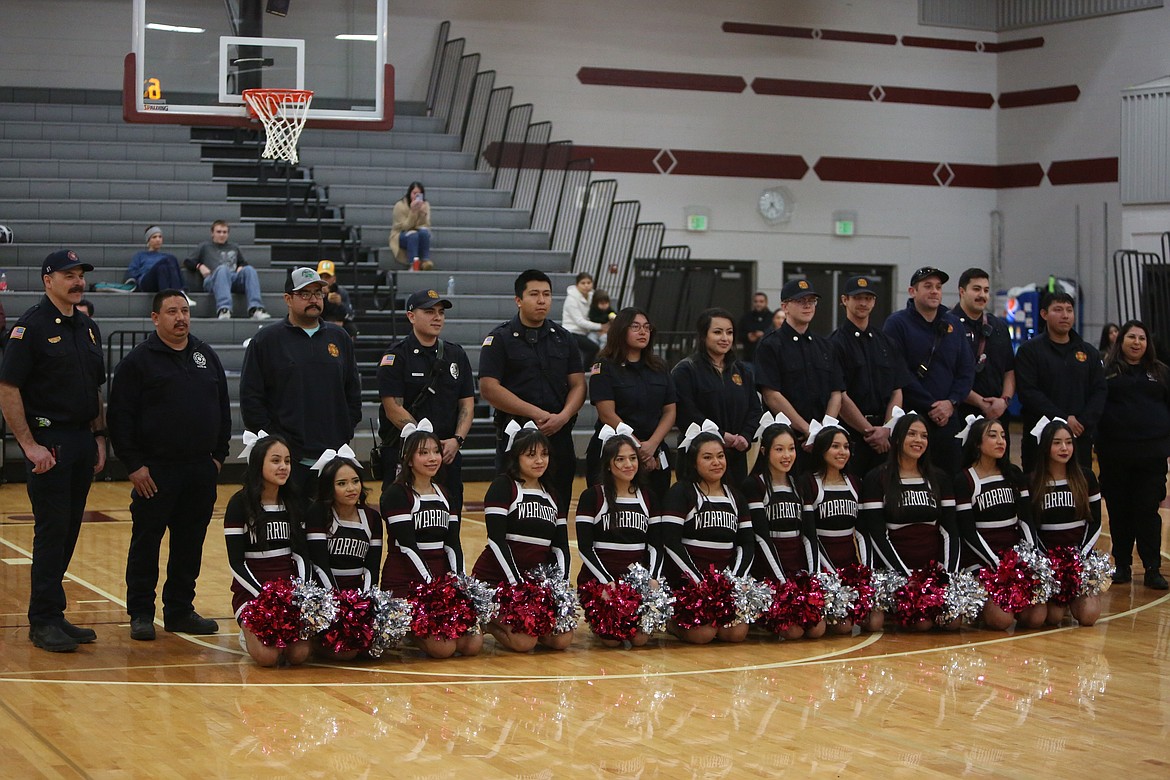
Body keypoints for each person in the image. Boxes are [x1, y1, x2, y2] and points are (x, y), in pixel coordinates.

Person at [107, 289, 229, 641]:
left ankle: (179, 610)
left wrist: (217, 458)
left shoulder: (205, 355)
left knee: (189, 545)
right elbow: (120, 417)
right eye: (172, 311)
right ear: (155, 318)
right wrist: (133, 465)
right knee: (146, 544)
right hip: (154, 473)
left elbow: (222, 408)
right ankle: (141, 613)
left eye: (185, 311)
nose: (181, 318)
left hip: (199, 471)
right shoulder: (138, 362)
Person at [0, 250, 106, 652]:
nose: (77, 281)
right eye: (69, 275)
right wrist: (28, 445)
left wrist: (98, 436)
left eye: (80, 275)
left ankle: (55, 613)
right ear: (48, 280)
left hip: (80, 440)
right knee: (51, 531)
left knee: (69, 530)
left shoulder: (88, 327)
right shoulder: (31, 327)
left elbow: (94, 390)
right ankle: (42, 620)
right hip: (49, 442)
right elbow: (8, 389)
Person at [239, 267, 362, 500]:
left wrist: (343, 431)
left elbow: (352, 393)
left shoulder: (340, 338)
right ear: (288, 299)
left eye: (318, 293)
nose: (314, 299)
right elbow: (251, 398)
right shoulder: (266, 340)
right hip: (288, 462)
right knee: (291, 531)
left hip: (332, 458)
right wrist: (276, 446)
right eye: (305, 294)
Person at [478, 269, 585, 516]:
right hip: (516, 435)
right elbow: (489, 388)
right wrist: (536, 414)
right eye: (534, 294)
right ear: (518, 300)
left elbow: (579, 385)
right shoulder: (500, 339)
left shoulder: (564, 338)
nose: (542, 300)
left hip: (557, 434)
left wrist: (563, 416)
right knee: (513, 508)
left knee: (558, 507)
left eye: (547, 294)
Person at [379, 423, 482, 658]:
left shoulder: (446, 493)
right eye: (423, 453)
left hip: (440, 580)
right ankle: (407, 630)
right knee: (443, 648)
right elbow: (407, 546)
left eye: (436, 451)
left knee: (472, 645)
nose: (432, 458)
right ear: (408, 458)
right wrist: (430, 586)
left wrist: (458, 582)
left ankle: (414, 629)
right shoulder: (396, 494)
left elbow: (452, 543)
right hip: (407, 579)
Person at [471, 425, 574, 652]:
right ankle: (487, 618)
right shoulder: (503, 487)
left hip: (534, 584)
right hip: (498, 580)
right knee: (523, 642)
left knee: (561, 639)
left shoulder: (553, 494)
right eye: (531, 455)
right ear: (516, 457)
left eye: (544, 454)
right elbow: (497, 541)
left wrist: (561, 585)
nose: (539, 461)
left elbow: (560, 547)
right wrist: (517, 584)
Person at [378, 289, 474, 516]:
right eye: (429, 311)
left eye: (441, 312)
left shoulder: (456, 355)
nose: (437, 317)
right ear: (411, 316)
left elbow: (467, 405)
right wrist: (424, 446)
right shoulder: (396, 357)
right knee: (403, 520)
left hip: (447, 455)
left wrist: (457, 440)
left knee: (450, 519)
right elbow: (393, 407)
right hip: (405, 455)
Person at [660, 423, 753, 644]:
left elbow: (747, 544)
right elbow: (671, 542)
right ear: (694, 462)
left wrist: (734, 581)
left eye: (720, 456)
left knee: (735, 634)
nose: (716, 462)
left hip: (724, 583)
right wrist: (698, 582)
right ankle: (672, 622)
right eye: (708, 457)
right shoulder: (681, 492)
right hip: (690, 583)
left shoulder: (736, 497)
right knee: (702, 634)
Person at [224, 434, 313, 667]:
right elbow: (236, 563)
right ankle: (247, 634)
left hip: (288, 590)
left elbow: (302, 555)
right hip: (253, 591)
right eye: (275, 461)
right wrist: (263, 595)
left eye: (287, 461)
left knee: (299, 655)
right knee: (268, 658)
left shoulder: (294, 502)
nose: (283, 467)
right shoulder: (239, 504)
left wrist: (300, 593)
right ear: (258, 464)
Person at [1096, 321, 1169, 589]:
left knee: (1148, 511)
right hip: (1115, 454)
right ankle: (1123, 565)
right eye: (1131, 337)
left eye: (1142, 338)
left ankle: (1152, 568)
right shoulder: (1106, 372)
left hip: (1151, 456)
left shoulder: (1161, 373)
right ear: (1121, 341)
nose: (1136, 342)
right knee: (1119, 510)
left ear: (1148, 343)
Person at [953, 416, 1046, 630]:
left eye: (1003, 436)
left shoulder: (1013, 474)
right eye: (993, 436)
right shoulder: (964, 479)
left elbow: (1025, 520)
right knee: (1001, 621)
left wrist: (1030, 560)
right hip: (981, 560)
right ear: (977, 443)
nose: (1001, 441)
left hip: (1012, 557)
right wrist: (997, 564)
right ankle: (981, 606)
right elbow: (968, 532)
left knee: (1036, 617)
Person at [883, 266, 974, 475]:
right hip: (912, 416)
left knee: (950, 478)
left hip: (949, 418)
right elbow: (898, 371)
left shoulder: (954, 325)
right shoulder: (897, 324)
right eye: (928, 286)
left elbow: (966, 370)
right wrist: (932, 405)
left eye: (938, 287)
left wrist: (951, 403)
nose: (934, 291)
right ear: (912, 291)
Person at [575, 429, 662, 646]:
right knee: (612, 641)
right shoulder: (592, 496)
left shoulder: (649, 496)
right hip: (601, 580)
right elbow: (585, 548)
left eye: (632, 458)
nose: (628, 465)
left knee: (640, 639)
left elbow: (656, 546)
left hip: (636, 581)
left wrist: (652, 578)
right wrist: (606, 582)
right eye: (620, 459)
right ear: (607, 464)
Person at [743, 418, 827, 639]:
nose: (786, 455)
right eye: (779, 449)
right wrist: (782, 583)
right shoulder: (754, 484)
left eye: (791, 449)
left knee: (817, 629)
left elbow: (809, 535)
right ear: (764, 451)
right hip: (769, 572)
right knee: (792, 631)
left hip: (796, 570)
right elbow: (761, 538)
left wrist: (811, 578)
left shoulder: (800, 485)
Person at [586, 307, 676, 499]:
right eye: (635, 327)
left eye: (646, 327)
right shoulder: (604, 365)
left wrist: (652, 445)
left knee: (656, 512)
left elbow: (670, 411)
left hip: (654, 450)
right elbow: (607, 413)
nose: (643, 332)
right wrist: (636, 449)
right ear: (621, 329)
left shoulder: (659, 367)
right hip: (614, 449)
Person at [861, 413, 961, 579]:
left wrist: (948, 576)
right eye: (911, 434)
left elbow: (950, 530)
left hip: (934, 575)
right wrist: (905, 577)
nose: (919, 440)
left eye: (924, 436)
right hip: (894, 576)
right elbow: (878, 535)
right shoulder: (877, 478)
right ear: (898, 438)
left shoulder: (939, 478)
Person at [1014, 292, 1106, 472]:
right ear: (1044, 314)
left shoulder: (1089, 352)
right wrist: (1063, 420)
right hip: (1041, 438)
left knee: (1079, 493)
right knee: (1040, 495)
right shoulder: (1029, 351)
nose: (1065, 315)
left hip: (1079, 436)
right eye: (1058, 309)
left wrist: (1082, 422)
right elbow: (1028, 392)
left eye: (1069, 310)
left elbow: (1100, 390)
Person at [830, 275, 911, 478]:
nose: (863, 303)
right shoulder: (834, 343)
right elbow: (840, 394)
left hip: (886, 436)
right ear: (844, 300)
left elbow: (897, 389)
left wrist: (886, 429)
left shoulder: (886, 342)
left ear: (874, 302)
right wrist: (870, 432)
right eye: (857, 298)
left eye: (868, 298)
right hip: (852, 435)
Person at [671, 308, 762, 486]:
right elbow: (686, 414)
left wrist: (745, 436)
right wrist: (721, 435)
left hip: (735, 457)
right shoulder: (686, 370)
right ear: (703, 336)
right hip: (697, 459)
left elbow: (755, 409)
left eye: (729, 332)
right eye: (717, 332)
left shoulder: (742, 370)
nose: (725, 338)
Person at [305, 452, 383, 659]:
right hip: (327, 594)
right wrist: (337, 605)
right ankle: (312, 641)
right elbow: (320, 565)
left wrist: (365, 606)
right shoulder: (318, 513)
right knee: (345, 653)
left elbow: (372, 568)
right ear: (330, 488)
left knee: (371, 649)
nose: (351, 488)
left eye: (355, 481)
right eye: (342, 483)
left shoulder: (372, 518)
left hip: (357, 595)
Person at [1028, 418, 1103, 626]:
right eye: (1057, 443)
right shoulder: (1034, 481)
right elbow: (1031, 527)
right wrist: (1047, 562)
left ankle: (1076, 599)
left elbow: (1095, 522)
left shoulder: (1085, 477)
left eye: (1069, 442)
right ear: (1045, 447)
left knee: (1089, 615)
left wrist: (1079, 557)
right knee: (1052, 618)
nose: (1064, 448)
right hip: (1048, 561)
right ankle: (1061, 602)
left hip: (1079, 555)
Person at [754, 279, 844, 444]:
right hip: (786, 439)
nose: (807, 305)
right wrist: (807, 430)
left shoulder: (825, 346)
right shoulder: (770, 345)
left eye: (811, 301)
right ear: (785, 306)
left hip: (823, 441)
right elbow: (771, 395)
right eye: (800, 301)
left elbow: (836, 392)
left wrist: (824, 431)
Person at [952, 268, 1015, 429]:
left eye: (986, 290)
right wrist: (981, 403)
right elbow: (947, 375)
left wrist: (1004, 400)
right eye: (976, 289)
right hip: (960, 414)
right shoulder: (947, 325)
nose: (982, 295)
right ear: (962, 291)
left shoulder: (999, 327)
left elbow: (1009, 370)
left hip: (998, 415)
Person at [184, 220, 269, 320]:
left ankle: (256, 309)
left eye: (224, 232)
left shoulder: (234, 247)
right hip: (214, 279)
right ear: (212, 233)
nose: (222, 235)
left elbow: (243, 262)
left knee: (249, 270)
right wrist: (200, 266)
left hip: (233, 278)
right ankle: (224, 309)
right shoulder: (205, 246)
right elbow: (188, 262)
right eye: (219, 232)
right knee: (223, 269)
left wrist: (241, 266)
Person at [562, 272, 607, 366]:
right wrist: (600, 326)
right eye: (583, 283)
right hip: (572, 332)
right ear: (577, 285)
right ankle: (585, 371)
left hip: (587, 331)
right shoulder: (571, 299)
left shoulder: (592, 297)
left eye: (589, 282)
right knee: (593, 348)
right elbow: (579, 322)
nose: (586, 286)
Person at [126, 226, 187, 295]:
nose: (158, 240)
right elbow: (132, 272)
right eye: (154, 237)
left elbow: (178, 273)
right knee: (169, 259)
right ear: (148, 240)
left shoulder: (165, 256)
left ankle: (167, 297)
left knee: (163, 267)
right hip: (146, 282)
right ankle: (180, 294)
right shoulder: (140, 255)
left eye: (160, 237)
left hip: (163, 282)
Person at [390, 181, 433, 270]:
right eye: (414, 193)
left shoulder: (425, 205)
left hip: (417, 231)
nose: (416, 196)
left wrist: (422, 214)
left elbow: (426, 224)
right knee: (413, 235)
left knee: (424, 233)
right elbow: (404, 227)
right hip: (400, 234)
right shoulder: (400, 206)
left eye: (419, 194)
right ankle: (414, 265)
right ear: (409, 193)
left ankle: (425, 261)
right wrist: (413, 212)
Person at [316, 259, 355, 335]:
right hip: (319, 326)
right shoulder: (313, 293)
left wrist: (340, 304)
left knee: (351, 328)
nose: (323, 280)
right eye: (321, 276)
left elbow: (350, 315)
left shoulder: (341, 293)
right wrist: (323, 297)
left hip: (339, 327)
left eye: (327, 277)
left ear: (334, 279)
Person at [737, 291, 773, 368]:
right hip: (749, 358)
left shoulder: (772, 318)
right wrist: (748, 336)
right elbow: (738, 334)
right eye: (756, 301)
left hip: (769, 359)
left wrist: (764, 334)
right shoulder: (746, 318)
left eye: (761, 301)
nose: (758, 304)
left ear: (766, 302)